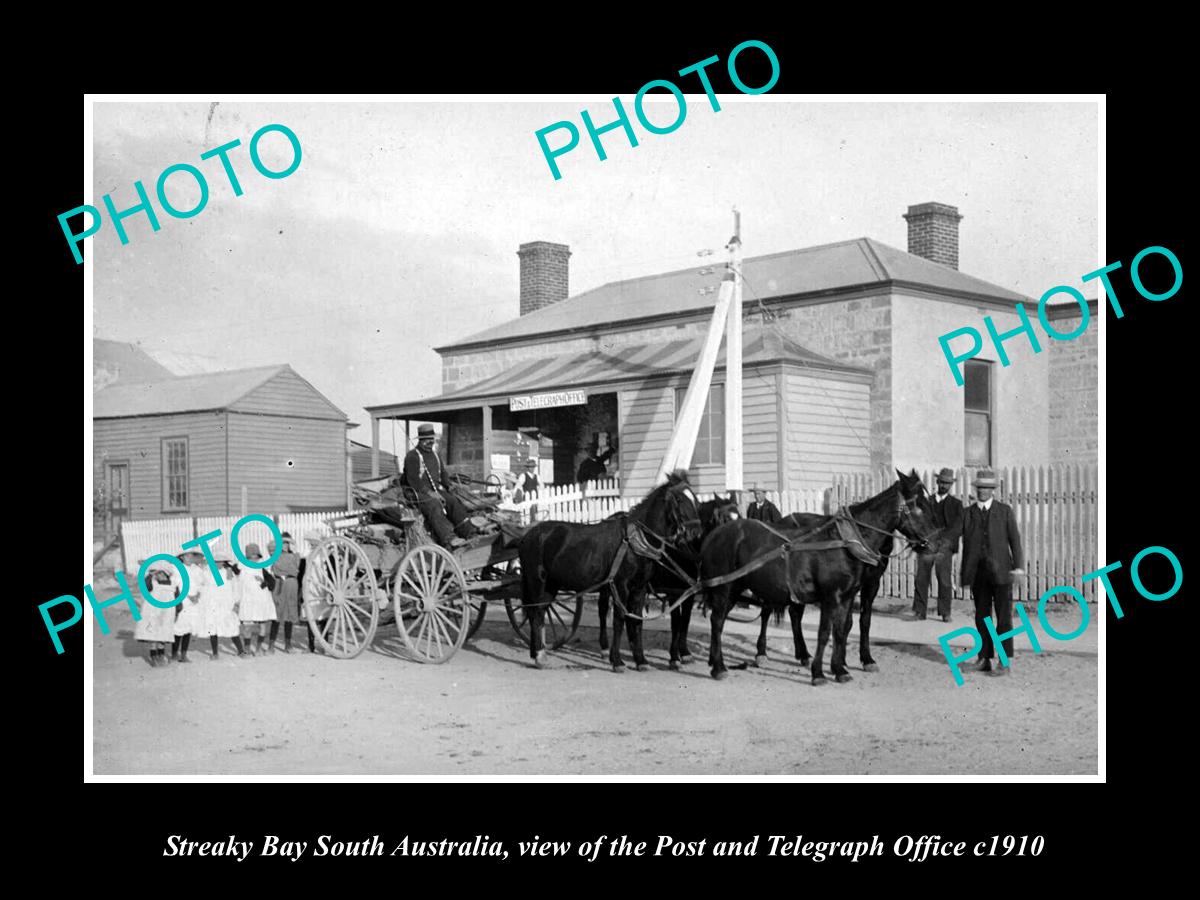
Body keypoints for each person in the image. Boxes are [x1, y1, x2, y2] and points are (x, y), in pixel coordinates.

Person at [960, 469, 1025, 676]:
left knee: (1004, 619)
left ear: (993, 490)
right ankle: (984, 658)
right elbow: (953, 535)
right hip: (978, 574)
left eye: (987, 488)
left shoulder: (1004, 511)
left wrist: (1019, 567)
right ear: (976, 489)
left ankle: (1004, 662)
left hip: (1002, 573)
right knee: (982, 618)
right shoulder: (967, 513)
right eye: (980, 488)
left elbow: (1015, 541)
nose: (983, 491)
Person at [403, 424, 474, 548]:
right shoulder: (412, 456)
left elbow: (443, 474)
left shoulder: (435, 455)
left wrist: (449, 486)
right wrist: (430, 493)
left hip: (434, 490)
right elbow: (413, 480)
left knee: (452, 500)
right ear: (420, 440)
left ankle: (467, 531)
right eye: (427, 439)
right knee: (434, 504)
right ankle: (448, 538)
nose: (431, 442)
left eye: (432, 439)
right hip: (415, 492)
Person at [912, 468, 964, 622]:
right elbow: (911, 513)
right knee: (921, 578)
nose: (944, 485)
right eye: (942, 482)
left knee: (944, 579)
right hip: (927, 546)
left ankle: (945, 612)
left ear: (951, 485)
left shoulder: (956, 504)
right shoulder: (927, 501)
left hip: (944, 547)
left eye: (947, 483)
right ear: (937, 482)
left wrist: (944, 541)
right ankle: (920, 612)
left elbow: (958, 526)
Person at [196, 548, 245, 659]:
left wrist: (235, 602)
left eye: (220, 561)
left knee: (231, 627)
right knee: (213, 628)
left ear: (224, 562)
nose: (218, 563)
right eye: (215, 561)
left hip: (226, 604)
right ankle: (215, 653)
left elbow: (235, 587)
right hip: (212, 604)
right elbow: (202, 585)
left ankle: (241, 651)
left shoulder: (229, 573)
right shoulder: (207, 573)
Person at [135, 559, 181, 667]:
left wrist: (177, 611)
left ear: (166, 574)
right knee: (153, 635)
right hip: (153, 613)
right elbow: (144, 585)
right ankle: (153, 655)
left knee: (163, 635)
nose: (158, 575)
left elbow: (177, 598)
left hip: (167, 614)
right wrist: (149, 573)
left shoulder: (173, 584)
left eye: (160, 573)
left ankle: (161, 654)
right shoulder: (152, 583)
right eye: (156, 573)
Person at [236, 543, 277, 655]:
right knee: (247, 626)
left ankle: (258, 648)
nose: (254, 559)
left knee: (262, 626)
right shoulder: (241, 567)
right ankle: (247, 648)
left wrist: (264, 583)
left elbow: (272, 583)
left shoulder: (261, 569)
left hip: (261, 600)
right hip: (248, 600)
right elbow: (229, 569)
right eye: (251, 557)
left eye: (256, 557)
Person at [172, 550, 208, 663]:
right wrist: (188, 596)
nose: (189, 558)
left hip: (194, 602)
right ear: (182, 557)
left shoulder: (196, 569)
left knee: (189, 627)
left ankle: (184, 654)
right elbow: (176, 585)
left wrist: (198, 594)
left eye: (191, 555)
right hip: (183, 601)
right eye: (187, 556)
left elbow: (202, 583)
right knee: (179, 627)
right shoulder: (177, 568)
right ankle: (174, 653)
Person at [268, 532, 302, 653]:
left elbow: (296, 570)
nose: (285, 546)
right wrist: (289, 570)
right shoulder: (275, 556)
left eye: (288, 543)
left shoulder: (295, 556)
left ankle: (288, 645)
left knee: (290, 614)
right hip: (280, 585)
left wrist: (290, 569)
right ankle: (271, 645)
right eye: (283, 543)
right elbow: (278, 569)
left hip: (291, 584)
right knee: (277, 615)